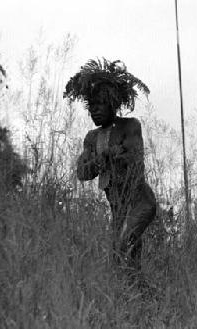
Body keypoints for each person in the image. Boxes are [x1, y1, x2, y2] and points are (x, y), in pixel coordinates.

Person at [64, 58, 156, 270]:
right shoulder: (91, 138)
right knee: (124, 261)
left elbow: (136, 160)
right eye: (92, 106)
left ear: (113, 103)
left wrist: (114, 155)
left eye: (100, 105)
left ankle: (139, 294)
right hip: (118, 209)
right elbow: (82, 172)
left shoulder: (130, 126)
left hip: (140, 203)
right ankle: (140, 298)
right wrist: (99, 160)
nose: (94, 111)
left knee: (121, 248)